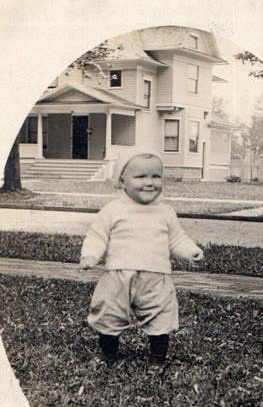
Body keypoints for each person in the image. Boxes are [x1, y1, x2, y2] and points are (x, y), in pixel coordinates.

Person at [80, 147, 204, 365]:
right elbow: (97, 235)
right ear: (122, 180)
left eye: (156, 176)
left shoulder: (165, 212)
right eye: (140, 176)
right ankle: (108, 353)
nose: (149, 182)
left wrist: (190, 251)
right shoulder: (113, 210)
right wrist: (90, 255)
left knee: (161, 315)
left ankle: (157, 358)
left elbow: (176, 238)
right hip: (118, 276)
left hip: (156, 278)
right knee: (109, 313)